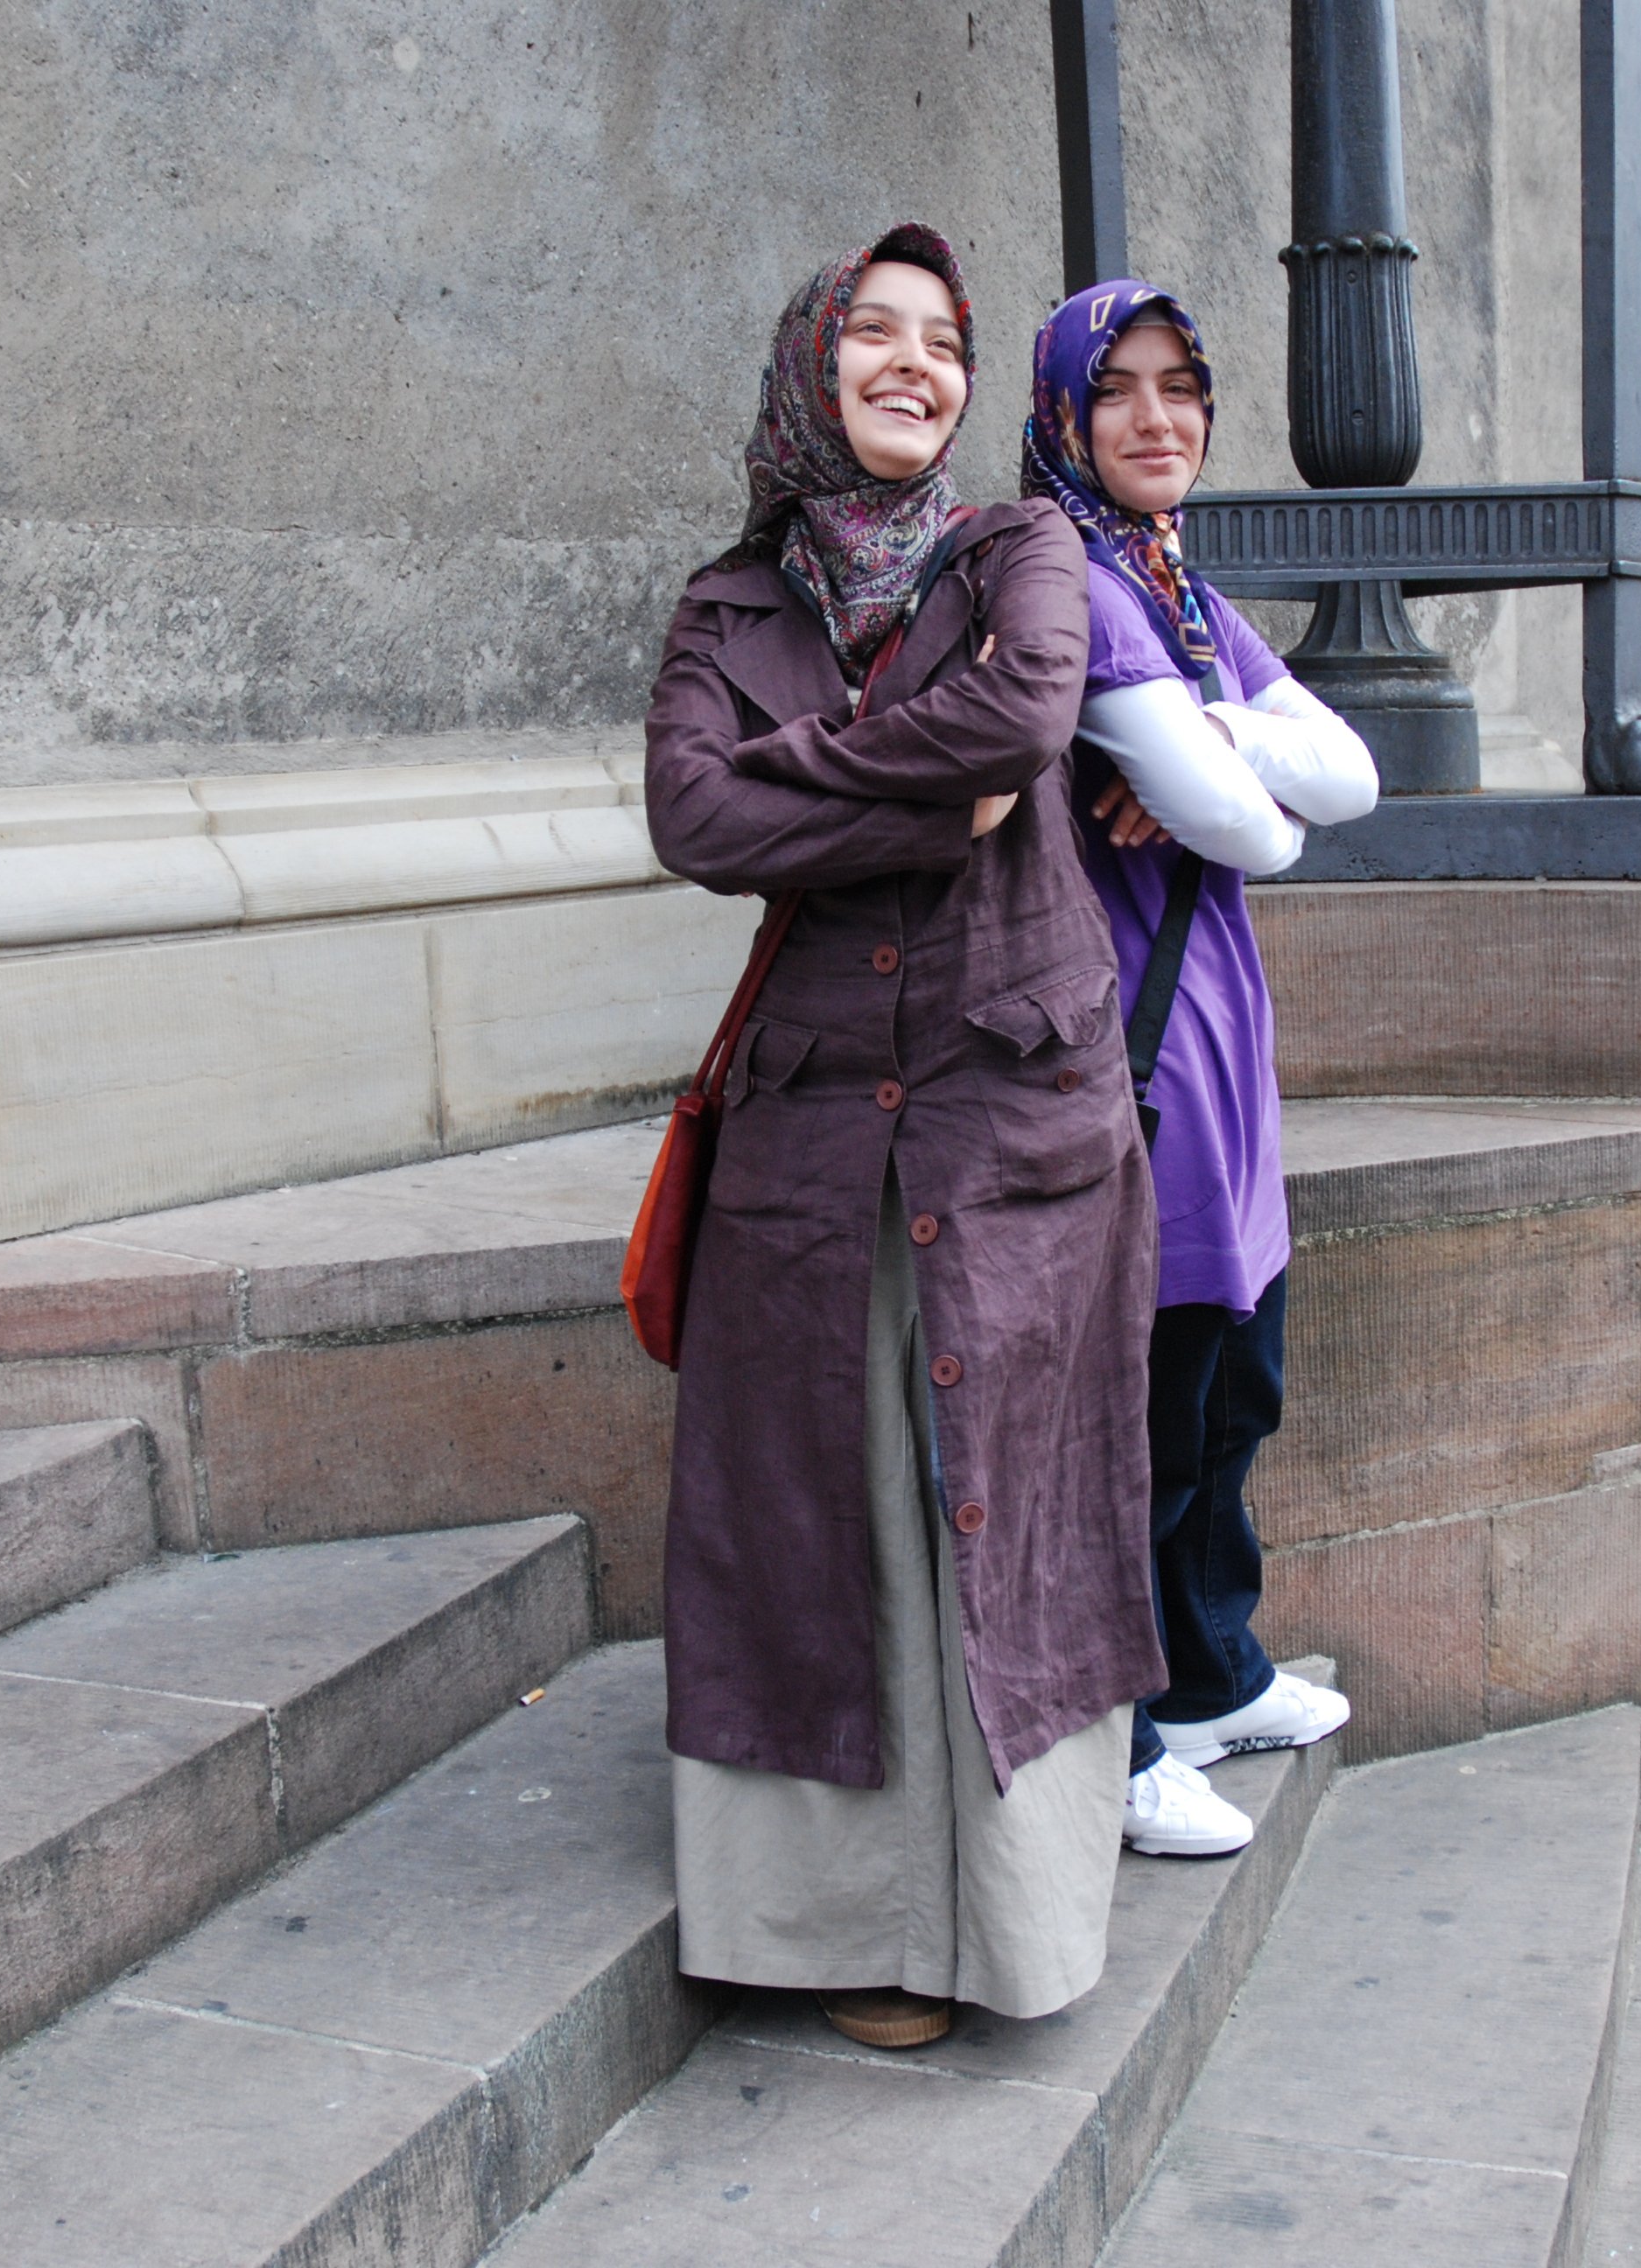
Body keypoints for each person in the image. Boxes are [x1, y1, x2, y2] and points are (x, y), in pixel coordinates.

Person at [641, 227, 1164, 2054]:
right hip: (808, 1132)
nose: (914, 364)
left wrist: (814, 782)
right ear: (812, 362)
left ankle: (1009, 1930)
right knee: (829, 1506)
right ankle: (842, 1929)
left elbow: (1025, 711)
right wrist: (928, 789)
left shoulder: (1020, 545)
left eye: (943, 340)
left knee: (1002, 1499)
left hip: (1007, 1099)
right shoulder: (723, 604)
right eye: (873, 331)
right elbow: (692, 820)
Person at [1020, 281, 1378, 1858]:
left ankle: (1219, 1669)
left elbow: (1344, 779)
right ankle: (1132, 1728)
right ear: (1061, 416)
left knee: (1237, 1387)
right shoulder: (1076, 584)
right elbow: (1253, 826)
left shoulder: (1178, 593)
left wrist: (1213, 734)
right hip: (1138, 1056)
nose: (1157, 419)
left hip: (1224, 1056)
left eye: (1181, 387)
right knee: (1149, 1417)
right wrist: (1236, 775)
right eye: (1120, 391)